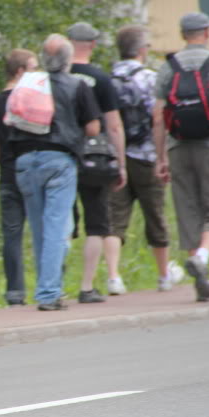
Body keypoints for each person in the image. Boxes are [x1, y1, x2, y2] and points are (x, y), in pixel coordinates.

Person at [9, 34, 101, 311]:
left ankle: (48, 288)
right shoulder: (77, 85)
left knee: (38, 229)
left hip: (24, 161)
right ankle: (49, 293)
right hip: (59, 161)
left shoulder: (30, 83)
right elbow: (94, 128)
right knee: (55, 228)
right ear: (68, 59)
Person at [152, 11, 209, 303]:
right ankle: (202, 256)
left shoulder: (168, 68)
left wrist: (161, 157)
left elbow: (158, 117)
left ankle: (202, 276)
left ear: (183, 34)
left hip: (178, 148)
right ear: (207, 32)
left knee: (188, 212)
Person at [104, 25, 183, 294]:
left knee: (115, 220)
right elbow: (160, 117)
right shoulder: (152, 78)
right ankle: (163, 276)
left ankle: (114, 277)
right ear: (140, 50)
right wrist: (163, 156)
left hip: (117, 157)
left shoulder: (108, 80)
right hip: (147, 156)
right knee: (156, 216)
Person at [67, 21, 127, 304]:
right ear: (92, 44)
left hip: (61, 156)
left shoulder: (55, 76)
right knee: (97, 224)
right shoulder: (101, 80)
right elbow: (114, 126)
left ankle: (54, 286)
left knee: (63, 224)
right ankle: (87, 285)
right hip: (94, 160)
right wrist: (121, 163)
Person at [0, 48, 38, 305]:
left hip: (7, 175)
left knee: (12, 234)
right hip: (34, 173)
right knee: (43, 230)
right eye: (33, 68)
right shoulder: (32, 101)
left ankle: (15, 293)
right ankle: (48, 287)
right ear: (20, 71)